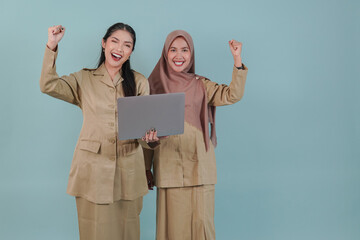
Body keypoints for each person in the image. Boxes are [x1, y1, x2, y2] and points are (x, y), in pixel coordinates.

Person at [40, 23, 156, 240]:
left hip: (128, 173)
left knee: (127, 233)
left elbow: (144, 133)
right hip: (91, 172)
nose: (119, 48)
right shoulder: (84, 79)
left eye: (127, 45)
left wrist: (150, 140)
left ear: (131, 52)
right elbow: (48, 85)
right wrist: (52, 46)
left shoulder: (139, 82)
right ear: (104, 44)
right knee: (94, 233)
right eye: (114, 41)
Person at [143, 30, 248, 240]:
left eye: (184, 50)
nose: (178, 55)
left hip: (201, 170)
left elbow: (232, 95)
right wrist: (147, 167)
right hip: (169, 171)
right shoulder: (152, 86)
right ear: (165, 54)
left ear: (191, 54)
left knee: (202, 230)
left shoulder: (201, 84)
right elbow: (146, 134)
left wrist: (237, 60)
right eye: (173, 50)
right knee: (172, 231)